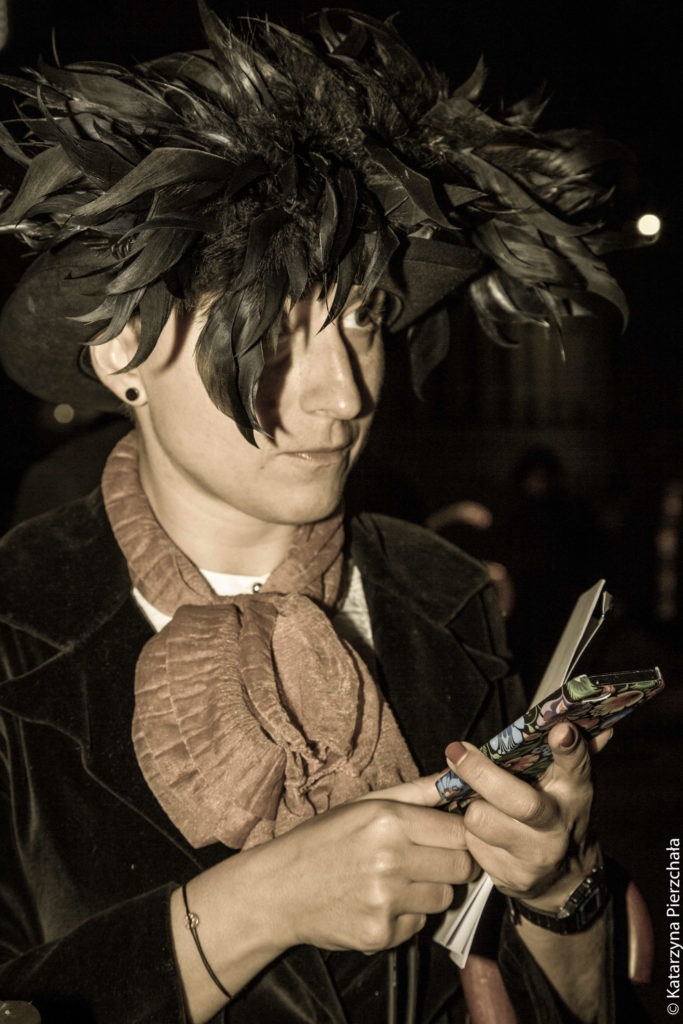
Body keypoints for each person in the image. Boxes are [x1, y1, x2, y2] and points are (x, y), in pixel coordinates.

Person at [0, 5, 642, 1022]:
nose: (344, 394)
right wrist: (258, 906)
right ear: (125, 351)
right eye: (271, 327)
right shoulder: (14, 623)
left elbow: (567, 999)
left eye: (364, 319)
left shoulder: (443, 596)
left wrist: (560, 889)